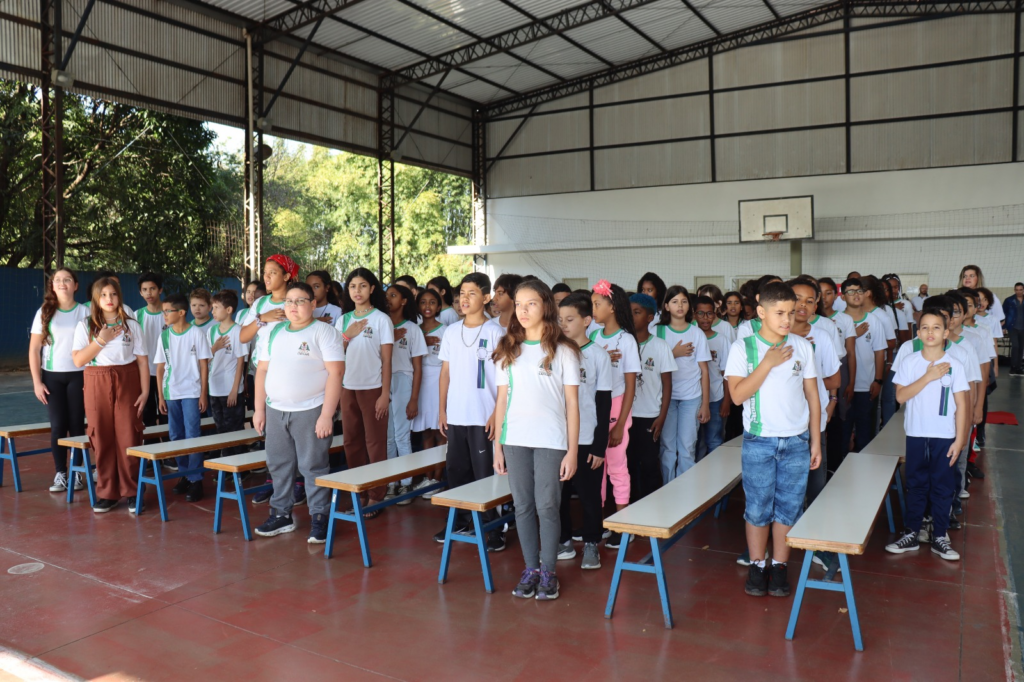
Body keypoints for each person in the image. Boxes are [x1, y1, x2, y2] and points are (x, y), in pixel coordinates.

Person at [725, 281, 820, 598]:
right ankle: (757, 564)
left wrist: (815, 442)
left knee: (788, 509)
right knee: (758, 508)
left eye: (792, 313)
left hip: (796, 442)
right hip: (759, 442)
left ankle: (779, 565)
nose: (787, 320)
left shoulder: (803, 346)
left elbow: (812, 397)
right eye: (780, 313)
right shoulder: (744, 348)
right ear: (762, 312)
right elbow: (737, 396)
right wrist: (767, 363)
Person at [493, 279, 581, 600]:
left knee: (547, 505)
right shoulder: (509, 348)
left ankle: (548, 572)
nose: (523, 310)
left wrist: (572, 451)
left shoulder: (563, 351)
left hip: (551, 440)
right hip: (515, 438)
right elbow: (501, 401)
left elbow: (572, 404)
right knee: (523, 506)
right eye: (519, 303)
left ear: (546, 305)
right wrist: (497, 446)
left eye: (531, 303)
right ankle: (530, 568)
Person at [253, 282, 343, 542]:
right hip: (275, 409)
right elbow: (261, 371)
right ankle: (281, 515)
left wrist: (327, 415)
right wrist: (259, 410)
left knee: (313, 465)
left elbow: (336, 373)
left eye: (300, 301)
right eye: (289, 301)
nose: (293, 306)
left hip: (311, 409)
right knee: (278, 464)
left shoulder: (324, 332)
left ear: (313, 304)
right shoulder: (274, 332)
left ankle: (319, 517)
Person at [885, 310, 969, 561]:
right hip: (917, 434)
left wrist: (960, 439)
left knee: (943, 486)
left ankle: (940, 536)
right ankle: (912, 532)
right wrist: (929, 376)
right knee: (917, 484)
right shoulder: (910, 362)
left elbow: (962, 405)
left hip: (945, 436)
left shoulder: (956, 364)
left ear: (945, 333)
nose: (930, 332)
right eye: (925, 328)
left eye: (936, 328)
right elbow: (900, 397)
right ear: (918, 333)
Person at [434, 272, 505, 547]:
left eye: (472, 293)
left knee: (485, 473)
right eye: (462, 293)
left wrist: (495, 414)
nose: (464, 298)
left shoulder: (496, 332)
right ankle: (460, 521)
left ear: (486, 298)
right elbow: (445, 375)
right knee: (457, 470)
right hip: (457, 415)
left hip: (484, 416)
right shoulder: (451, 332)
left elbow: (503, 380)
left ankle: (493, 529)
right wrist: (442, 410)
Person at [71, 276, 149, 514]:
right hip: (96, 381)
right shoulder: (86, 325)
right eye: (103, 294)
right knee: (101, 437)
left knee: (128, 435)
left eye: (113, 294)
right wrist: (100, 341)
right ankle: (107, 492)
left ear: (119, 297)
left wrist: (145, 391)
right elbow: (78, 360)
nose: (109, 299)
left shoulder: (131, 325)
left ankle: (133, 491)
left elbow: (143, 362)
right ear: (96, 298)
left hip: (127, 380)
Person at [557, 293, 613, 569]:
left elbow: (603, 405)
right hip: (557, 439)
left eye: (570, 319)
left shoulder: (598, 355)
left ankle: (591, 543)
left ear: (587, 321)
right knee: (559, 496)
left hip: (587, 438)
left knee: (590, 497)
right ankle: (563, 540)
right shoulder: (554, 352)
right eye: (560, 319)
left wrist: (599, 447)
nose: (563, 324)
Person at [337, 268, 394, 515]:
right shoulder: (343, 320)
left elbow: (388, 360)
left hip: (373, 389)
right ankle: (358, 492)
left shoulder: (381, 319)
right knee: (351, 442)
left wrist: (384, 394)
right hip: (347, 388)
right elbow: (334, 357)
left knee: (375, 443)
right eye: (352, 286)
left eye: (362, 285)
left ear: (372, 289)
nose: (357, 291)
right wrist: (346, 336)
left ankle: (376, 495)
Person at [241, 254, 298, 505]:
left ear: (287, 276)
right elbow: (243, 336)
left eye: (273, 272)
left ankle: (296, 481)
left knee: (293, 429)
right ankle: (273, 479)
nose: (267, 277)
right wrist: (262, 318)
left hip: (292, 373)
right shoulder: (260, 303)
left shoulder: (296, 300)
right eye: (265, 272)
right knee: (269, 429)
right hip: (263, 371)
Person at [588, 280, 639, 549]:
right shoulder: (594, 337)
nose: (593, 309)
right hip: (596, 406)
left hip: (616, 407)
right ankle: (597, 523)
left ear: (612, 306)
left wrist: (620, 425)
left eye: (597, 304)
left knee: (617, 468)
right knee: (596, 467)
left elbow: (631, 385)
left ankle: (622, 525)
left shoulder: (627, 340)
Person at [29, 268, 90, 493]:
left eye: (67, 280)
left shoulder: (85, 312)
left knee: (76, 425)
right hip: (52, 377)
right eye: (57, 280)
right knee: (57, 426)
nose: (62, 283)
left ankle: (77, 474)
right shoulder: (44, 312)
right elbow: (34, 349)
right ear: (52, 286)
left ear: (75, 285)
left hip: (79, 375)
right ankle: (61, 474)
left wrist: (90, 378)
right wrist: (37, 382)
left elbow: (93, 348)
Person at [787, 279, 840, 508]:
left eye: (809, 301)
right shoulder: (772, 338)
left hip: (813, 418)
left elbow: (834, 380)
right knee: (787, 484)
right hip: (785, 419)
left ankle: (813, 537)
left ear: (816, 306)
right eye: (797, 299)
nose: (803, 305)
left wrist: (809, 370)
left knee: (815, 482)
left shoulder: (822, 337)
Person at [155, 293, 213, 502]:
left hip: (191, 391)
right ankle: (184, 474)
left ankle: (196, 478)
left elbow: (204, 365)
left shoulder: (196, 333)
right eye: (163, 312)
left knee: (193, 434)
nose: (164, 315)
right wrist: (161, 396)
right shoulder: (164, 336)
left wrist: (203, 393)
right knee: (175, 436)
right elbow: (161, 368)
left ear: (181, 313)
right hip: (171, 392)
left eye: (167, 311)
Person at [656, 285, 711, 482]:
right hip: (665, 399)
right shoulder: (658, 331)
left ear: (689, 306)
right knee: (668, 447)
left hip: (691, 397)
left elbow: (704, 370)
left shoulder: (696, 333)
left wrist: (705, 403)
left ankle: (684, 494)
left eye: (684, 301)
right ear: (666, 306)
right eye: (674, 301)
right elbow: (651, 366)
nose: (680, 305)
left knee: (687, 448)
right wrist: (674, 353)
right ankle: (668, 488)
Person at [626, 293, 674, 501]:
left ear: (650, 317)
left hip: (650, 415)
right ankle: (629, 505)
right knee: (627, 463)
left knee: (648, 463)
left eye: (637, 312)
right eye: (629, 312)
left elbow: (667, 384)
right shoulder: (622, 343)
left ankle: (651, 505)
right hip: (625, 416)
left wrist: (662, 417)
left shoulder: (660, 346)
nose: (631, 316)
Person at [384, 283, 426, 502]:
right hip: (382, 381)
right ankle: (392, 482)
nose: (388, 299)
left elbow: (418, 367)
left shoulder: (412, 329)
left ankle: (406, 484)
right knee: (388, 437)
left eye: (393, 295)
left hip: (402, 380)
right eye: (386, 295)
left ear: (404, 301)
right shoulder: (381, 325)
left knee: (401, 435)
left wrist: (413, 399)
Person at [842, 278, 887, 451]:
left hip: (867, 387)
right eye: (851, 291)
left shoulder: (874, 321)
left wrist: (878, 381)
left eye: (859, 291)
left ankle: (864, 472)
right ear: (843, 296)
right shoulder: (838, 321)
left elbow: (880, 352)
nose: (856, 295)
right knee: (843, 434)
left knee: (865, 435)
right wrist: (854, 333)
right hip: (843, 387)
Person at [819, 277, 858, 470]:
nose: (824, 297)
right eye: (821, 293)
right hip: (818, 380)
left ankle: (836, 463)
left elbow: (849, 353)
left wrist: (850, 382)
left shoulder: (843, 320)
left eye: (829, 292)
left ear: (836, 295)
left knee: (837, 418)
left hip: (836, 374)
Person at [411, 288, 447, 494]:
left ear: (439, 306)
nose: (427, 307)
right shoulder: (415, 330)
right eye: (423, 302)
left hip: (439, 381)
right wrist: (421, 343)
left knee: (440, 431)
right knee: (425, 431)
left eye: (432, 302)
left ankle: (438, 479)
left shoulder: (445, 330)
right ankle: (428, 477)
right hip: (420, 380)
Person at [207, 289, 248, 454]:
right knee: (221, 429)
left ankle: (238, 469)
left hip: (231, 389)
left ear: (229, 310)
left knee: (234, 429)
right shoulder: (212, 331)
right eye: (213, 307)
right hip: (214, 388)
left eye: (216, 307)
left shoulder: (238, 331)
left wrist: (234, 389)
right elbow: (206, 359)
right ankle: (225, 467)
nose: (213, 311)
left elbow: (240, 362)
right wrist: (214, 348)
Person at [694, 295, 731, 460]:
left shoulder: (722, 340)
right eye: (700, 313)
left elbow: (727, 374)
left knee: (714, 440)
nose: (705, 318)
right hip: (693, 398)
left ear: (715, 314)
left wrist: (726, 401)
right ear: (694, 314)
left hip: (716, 399)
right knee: (696, 442)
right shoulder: (691, 337)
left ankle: (715, 479)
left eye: (709, 314)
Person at [136, 273, 165, 427]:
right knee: (147, 415)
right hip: (144, 372)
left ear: (160, 290)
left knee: (166, 413)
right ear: (140, 292)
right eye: (145, 289)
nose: (149, 293)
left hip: (166, 372)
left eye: (152, 288)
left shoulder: (169, 314)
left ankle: (169, 448)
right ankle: (151, 447)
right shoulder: (136, 316)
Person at [960, 265, 1004, 334]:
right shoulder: (956, 294)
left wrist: (986, 334)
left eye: (971, 276)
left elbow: (999, 320)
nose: (967, 278)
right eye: (965, 276)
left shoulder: (991, 296)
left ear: (978, 278)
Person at [1005, 282, 1024, 375]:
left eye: (1020, 290)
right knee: (1015, 346)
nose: (1018, 292)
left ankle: (1019, 367)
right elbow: (1004, 314)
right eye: (1017, 290)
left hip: (1023, 328)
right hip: (1012, 327)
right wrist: (1003, 327)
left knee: (1021, 348)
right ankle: (1013, 367)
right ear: (1014, 290)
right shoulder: (1009, 300)